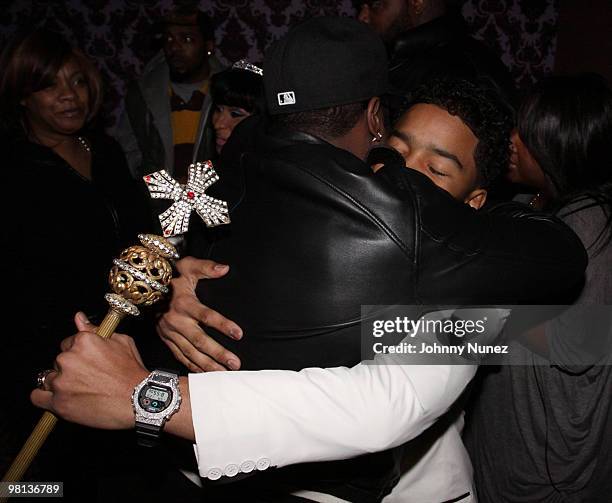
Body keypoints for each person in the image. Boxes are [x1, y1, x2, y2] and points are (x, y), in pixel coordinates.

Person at [33, 17, 585, 503]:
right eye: (395, 150)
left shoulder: (474, 273)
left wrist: (149, 397)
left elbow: (384, 408)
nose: (402, 175)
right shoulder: (315, 203)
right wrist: (179, 295)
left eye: (437, 170)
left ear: (474, 203)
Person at [0, 29, 154, 500]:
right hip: (45, 356)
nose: (70, 96)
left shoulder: (103, 150)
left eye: (78, 82)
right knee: (48, 486)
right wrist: (36, 369)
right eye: (50, 85)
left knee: (123, 478)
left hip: (122, 343)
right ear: (22, 96)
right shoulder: (11, 168)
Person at [464, 74, 612, 503]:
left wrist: (453, 327)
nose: (511, 140)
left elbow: (582, 342)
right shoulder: (536, 204)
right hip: (523, 448)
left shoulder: (588, 224)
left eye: (525, 134)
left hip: (544, 468)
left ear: (559, 143)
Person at [114, 6, 224, 183]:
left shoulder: (229, 93)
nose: (174, 47)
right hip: (156, 205)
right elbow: (128, 151)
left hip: (214, 202)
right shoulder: (142, 94)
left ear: (208, 46)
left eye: (187, 39)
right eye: (168, 39)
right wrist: (159, 185)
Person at [354, 0, 516, 109]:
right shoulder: (391, 58)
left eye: (375, 5)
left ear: (417, 3)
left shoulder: (466, 71)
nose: (362, 17)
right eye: (360, 7)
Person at [210, 60, 263, 155]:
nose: (218, 124)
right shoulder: (203, 169)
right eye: (218, 109)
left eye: (235, 114)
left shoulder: (284, 169)